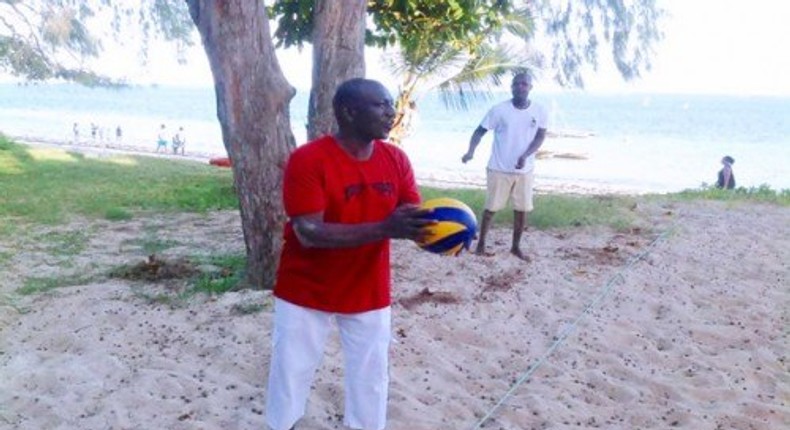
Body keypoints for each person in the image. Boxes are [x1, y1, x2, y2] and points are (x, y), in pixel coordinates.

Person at [265, 78, 432, 430]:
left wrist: (445, 230)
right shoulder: (308, 159)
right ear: (349, 111)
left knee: (371, 379)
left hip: (367, 289)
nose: (392, 112)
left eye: (391, 105)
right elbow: (309, 232)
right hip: (305, 289)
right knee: (290, 374)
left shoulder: (395, 159)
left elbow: (410, 217)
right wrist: (385, 228)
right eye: (382, 105)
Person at [461, 71, 548, 261]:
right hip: (499, 168)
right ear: (511, 87)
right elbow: (479, 131)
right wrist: (470, 152)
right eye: (516, 84)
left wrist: (526, 155)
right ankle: (481, 245)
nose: (520, 87)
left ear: (530, 87)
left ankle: (516, 247)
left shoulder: (540, 110)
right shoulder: (499, 110)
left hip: (525, 170)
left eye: (524, 84)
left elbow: (540, 136)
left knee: (521, 209)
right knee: (491, 209)